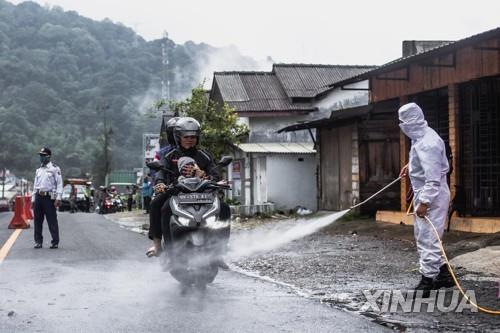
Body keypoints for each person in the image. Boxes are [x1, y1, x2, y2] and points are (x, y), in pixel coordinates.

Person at [398, 103, 453, 297]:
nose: (402, 126)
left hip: (433, 195)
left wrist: (425, 202)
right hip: (427, 192)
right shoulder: (421, 137)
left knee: (429, 237)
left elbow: (433, 178)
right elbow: (426, 161)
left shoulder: (428, 143)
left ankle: (427, 281)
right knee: (425, 235)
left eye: (404, 122)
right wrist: (410, 165)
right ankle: (444, 275)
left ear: (411, 122)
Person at [146, 117, 218, 257]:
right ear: (178, 137)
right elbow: (161, 171)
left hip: (202, 194)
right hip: (175, 192)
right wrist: (160, 183)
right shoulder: (168, 155)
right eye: (186, 137)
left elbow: (215, 174)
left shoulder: (204, 156)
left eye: (193, 136)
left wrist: (204, 175)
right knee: (159, 205)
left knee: (224, 208)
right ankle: (158, 245)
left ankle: (219, 251)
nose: (190, 139)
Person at [32, 147, 63, 249]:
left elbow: (59, 184)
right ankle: (38, 241)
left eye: (43, 155)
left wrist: (58, 198)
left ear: (49, 156)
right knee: (37, 221)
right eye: (40, 155)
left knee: (52, 220)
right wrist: (33, 199)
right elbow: (35, 186)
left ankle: (55, 241)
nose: (41, 157)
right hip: (38, 197)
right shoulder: (38, 170)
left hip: (49, 198)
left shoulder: (55, 169)